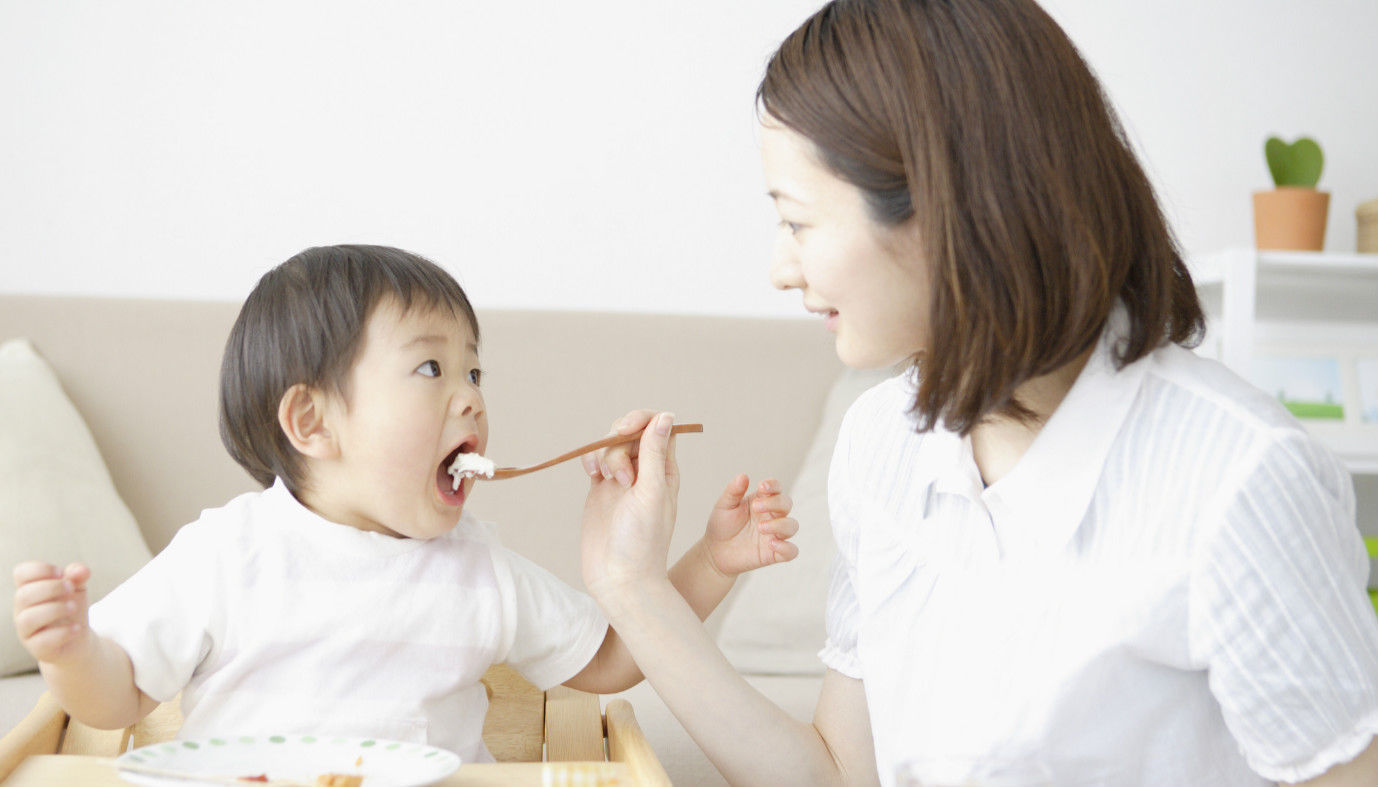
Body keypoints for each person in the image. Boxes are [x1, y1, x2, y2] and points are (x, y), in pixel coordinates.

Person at [576, 1, 1378, 785]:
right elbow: (841, 771)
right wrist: (632, 585)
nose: (780, 268)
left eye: (798, 221)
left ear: (937, 205)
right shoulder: (881, 441)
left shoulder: (1240, 479)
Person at [10, 244, 799, 763]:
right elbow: (116, 697)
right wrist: (70, 648)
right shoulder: (228, 553)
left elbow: (615, 659)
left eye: (476, 374)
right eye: (431, 370)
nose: (470, 399)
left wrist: (709, 560)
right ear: (312, 421)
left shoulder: (477, 566)